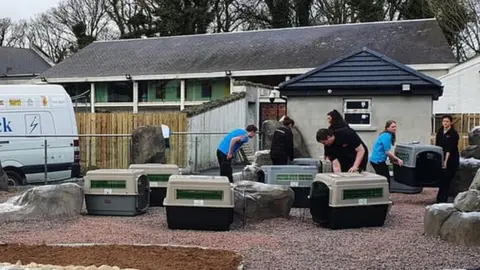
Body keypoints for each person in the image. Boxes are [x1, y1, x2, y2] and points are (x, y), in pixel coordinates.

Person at [369, 120, 404, 186]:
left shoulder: (386, 135)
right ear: (387, 128)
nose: (394, 128)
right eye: (392, 127)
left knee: (382, 179)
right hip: (378, 161)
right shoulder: (387, 136)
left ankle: (383, 193)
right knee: (385, 180)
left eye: (395, 127)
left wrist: (392, 159)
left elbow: (386, 151)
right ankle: (385, 194)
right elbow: (387, 152)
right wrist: (398, 159)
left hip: (376, 160)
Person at [435, 115, 460, 203]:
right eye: (444, 121)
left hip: (451, 159)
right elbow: (438, 145)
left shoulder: (453, 134)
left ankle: (444, 200)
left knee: (447, 180)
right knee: (442, 180)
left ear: (450, 122)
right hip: (441, 157)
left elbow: (450, 149)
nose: (445, 123)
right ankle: (439, 199)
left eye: (447, 121)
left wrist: (445, 161)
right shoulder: (440, 131)